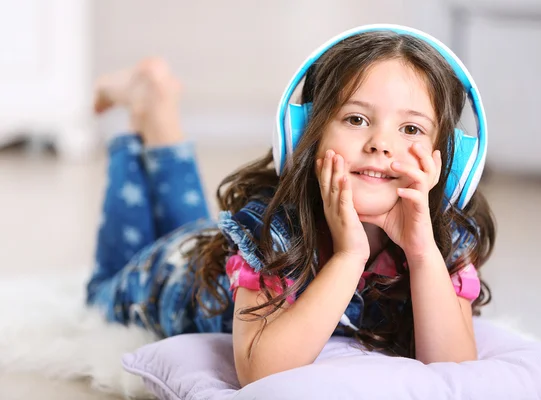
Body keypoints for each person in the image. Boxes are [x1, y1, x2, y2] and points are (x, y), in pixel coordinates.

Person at [87, 24, 496, 387]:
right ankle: (144, 105)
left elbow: (455, 368)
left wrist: (422, 252)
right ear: (306, 134)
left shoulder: (445, 234)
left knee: (195, 223)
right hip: (168, 276)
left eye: (411, 128)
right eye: (356, 119)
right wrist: (350, 255)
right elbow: (260, 372)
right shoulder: (271, 227)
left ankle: (156, 103)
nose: (380, 144)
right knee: (104, 285)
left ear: (449, 160)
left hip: (210, 250)